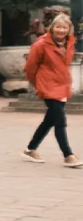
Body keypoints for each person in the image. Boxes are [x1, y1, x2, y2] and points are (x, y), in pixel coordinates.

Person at [23, 12, 79, 166]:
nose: (61, 30)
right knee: (60, 120)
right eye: (58, 27)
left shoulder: (69, 43)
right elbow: (30, 68)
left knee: (50, 120)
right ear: (52, 27)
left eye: (64, 28)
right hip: (47, 85)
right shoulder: (40, 45)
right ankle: (68, 155)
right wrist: (38, 85)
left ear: (69, 29)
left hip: (62, 85)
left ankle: (30, 149)